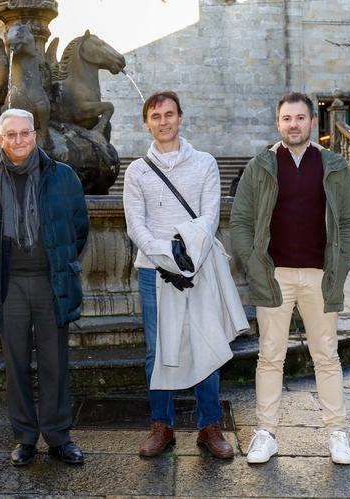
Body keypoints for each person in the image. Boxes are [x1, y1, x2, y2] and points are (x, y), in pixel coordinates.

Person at [230, 92, 350, 465]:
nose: (293, 124)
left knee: (327, 356)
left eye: (300, 118)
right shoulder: (261, 166)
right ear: (278, 123)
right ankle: (266, 433)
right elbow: (240, 220)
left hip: (321, 277)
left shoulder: (332, 166)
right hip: (276, 277)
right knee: (270, 356)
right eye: (287, 118)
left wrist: (341, 265)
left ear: (311, 122)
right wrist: (257, 265)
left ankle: (337, 433)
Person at [123, 91, 235, 459]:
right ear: (147, 123)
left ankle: (209, 425)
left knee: (205, 341)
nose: (163, 121)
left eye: (169, 114)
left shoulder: (205, 163)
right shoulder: (137, 171)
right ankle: (162, 425)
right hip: (153, 272)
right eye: (156, 116)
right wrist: (167, 256)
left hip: (197, 266)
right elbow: (135, 226)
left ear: (180, 118)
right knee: (158, 349)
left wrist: (186, 255)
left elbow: (210, 217)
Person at [0, 108, 89, 467]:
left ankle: (59, 436)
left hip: (49, 281)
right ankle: (25, 437)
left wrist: (60, 262)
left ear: (35, 134)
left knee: (55, 362)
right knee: (15, 365)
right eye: (10, 135)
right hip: (9, 285)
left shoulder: (63, 176)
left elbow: (79, 228)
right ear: (0, 140)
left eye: (24, 133)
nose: (19, 140)